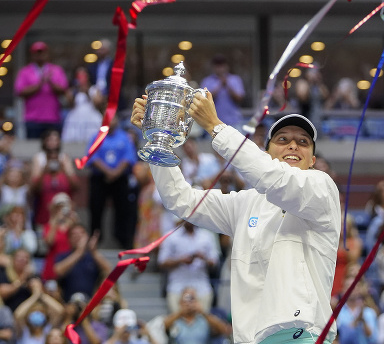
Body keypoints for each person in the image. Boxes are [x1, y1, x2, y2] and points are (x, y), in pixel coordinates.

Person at [131, 90, 342, 344]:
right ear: (267, 153)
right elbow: (180, 199)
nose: (293, 145)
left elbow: (274, 178)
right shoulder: (245, 203)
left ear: (312, 161)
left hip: (302, 333)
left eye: (303, 142)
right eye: (283, 139)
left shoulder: (322, 188)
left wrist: (215, 127)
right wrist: (158, 140)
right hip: (250, 338)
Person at [86, 116, 139, 249]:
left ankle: (122, 240)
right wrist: (108, 172)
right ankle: (95, 239)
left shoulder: (125, 137)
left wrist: (115, 173)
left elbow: (128, 157)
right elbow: (92, 157)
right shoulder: (96, 137)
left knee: (123, 210)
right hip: (100, 178)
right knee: (96, 209)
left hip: (120, 179)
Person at [157, 221, 221, 314]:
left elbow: (214, 262)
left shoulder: (207, 236)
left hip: (201, 286)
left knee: (202, 321)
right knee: (177, 323)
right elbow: (161, 262)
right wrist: (180, 260)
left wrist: (203, 258)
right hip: (177, 286)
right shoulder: (171, 236)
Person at [14, 42, 69, 139]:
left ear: (47, 53)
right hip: (33, 118)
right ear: (32, 55)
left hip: (53, 118)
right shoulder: (25, 71)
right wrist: (40, 84)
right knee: (32, 149)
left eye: (42, 52)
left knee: (53, 148)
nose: (40, 55)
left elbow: (64, 89)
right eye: (37, 53)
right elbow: (20, 91)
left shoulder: (56, 70)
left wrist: (51, 82)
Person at [53, 224, 112, 302]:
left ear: (87, 236)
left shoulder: (93, 256)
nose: (78, 237)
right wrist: (79, 252)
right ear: (69, 239)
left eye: (81, 234)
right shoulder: (63, 256)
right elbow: (58, 271)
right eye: (74, 235)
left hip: (92, 303)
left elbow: (109, 270)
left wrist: (94, 252)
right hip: (67, 304)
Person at [163, 287, 231, 344]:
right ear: (180, 302)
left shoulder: (205, 319)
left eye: (192, 299)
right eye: (186, 299)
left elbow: (223, 330)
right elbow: (163, 326)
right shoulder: (175, 320)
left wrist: (202, 312)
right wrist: (180, 312)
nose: (189, 303)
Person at [200, 54, 246, 130]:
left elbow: (240, 98)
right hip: (214, 123)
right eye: (217, 66)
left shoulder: (235, 79)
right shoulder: (207, 81)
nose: (220, 68)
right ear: (213, 67)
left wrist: (227, 85)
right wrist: (220, 85)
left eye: (222, 65)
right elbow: (204, 101)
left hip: (234, 121)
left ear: (227, 66)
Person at [336, 278, 378, 344]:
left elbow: (373, 339)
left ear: (359, 290)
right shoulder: (337, 312)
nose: (352, 289)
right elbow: (340, 337)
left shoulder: (369, 312)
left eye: (355, 286)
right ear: (343, 290)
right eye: (348, 286)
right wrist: (356, 321)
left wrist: (363, 321)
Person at [295, 67, 329, 135]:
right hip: (306, 117)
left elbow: (326, 96)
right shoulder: (302, 83)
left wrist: (319, 82)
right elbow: (302, 97)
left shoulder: (318, 86)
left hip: (318, 119)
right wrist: (309, 81)